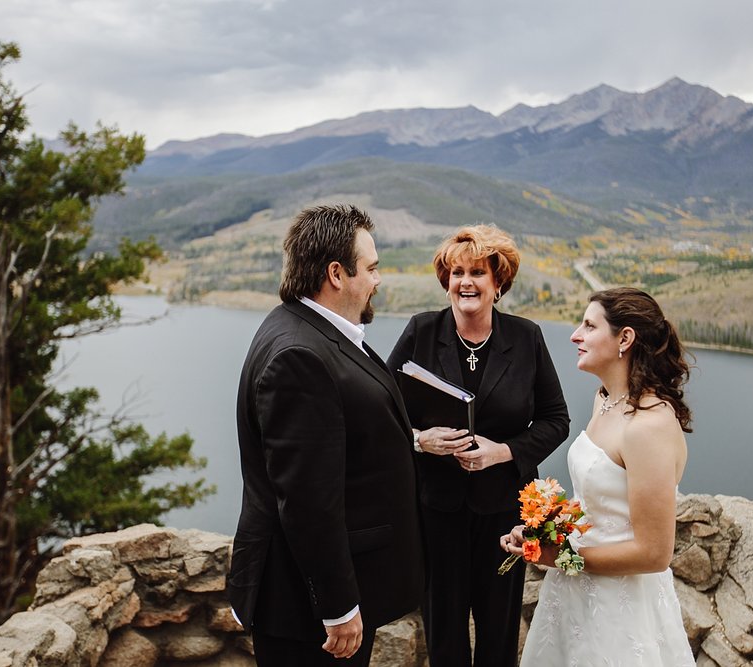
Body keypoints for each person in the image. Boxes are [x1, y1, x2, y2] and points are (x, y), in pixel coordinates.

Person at [226, 204, 424, 666]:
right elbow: (307, 500)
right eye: (371, 268)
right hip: (308, 610)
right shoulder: (300, 356)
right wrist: (338, 606)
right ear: (337, 273)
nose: (378, 280)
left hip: (325, 598)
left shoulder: (308, 328)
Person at [387, 224, 570, 667]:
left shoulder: (526, 338)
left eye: (477, 273)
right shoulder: (421, 332)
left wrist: (503, 452)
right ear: (446, 280)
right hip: (437, 512)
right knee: (444, 632)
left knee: (499, 631)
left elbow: (556, 420)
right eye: (456, 272)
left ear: (498, 283)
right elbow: (382, 413)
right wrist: (419, 440)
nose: (465, 282)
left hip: (505, 518)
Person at [500, 287, 696, 666]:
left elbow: (655, 554)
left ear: (625, 338)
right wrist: (546, 530)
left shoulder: (648, 427)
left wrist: (564, 558)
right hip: (573, 595)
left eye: (589, 326)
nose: (575, 335)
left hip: (621, 608)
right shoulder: (604, 399)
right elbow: (600, 500)